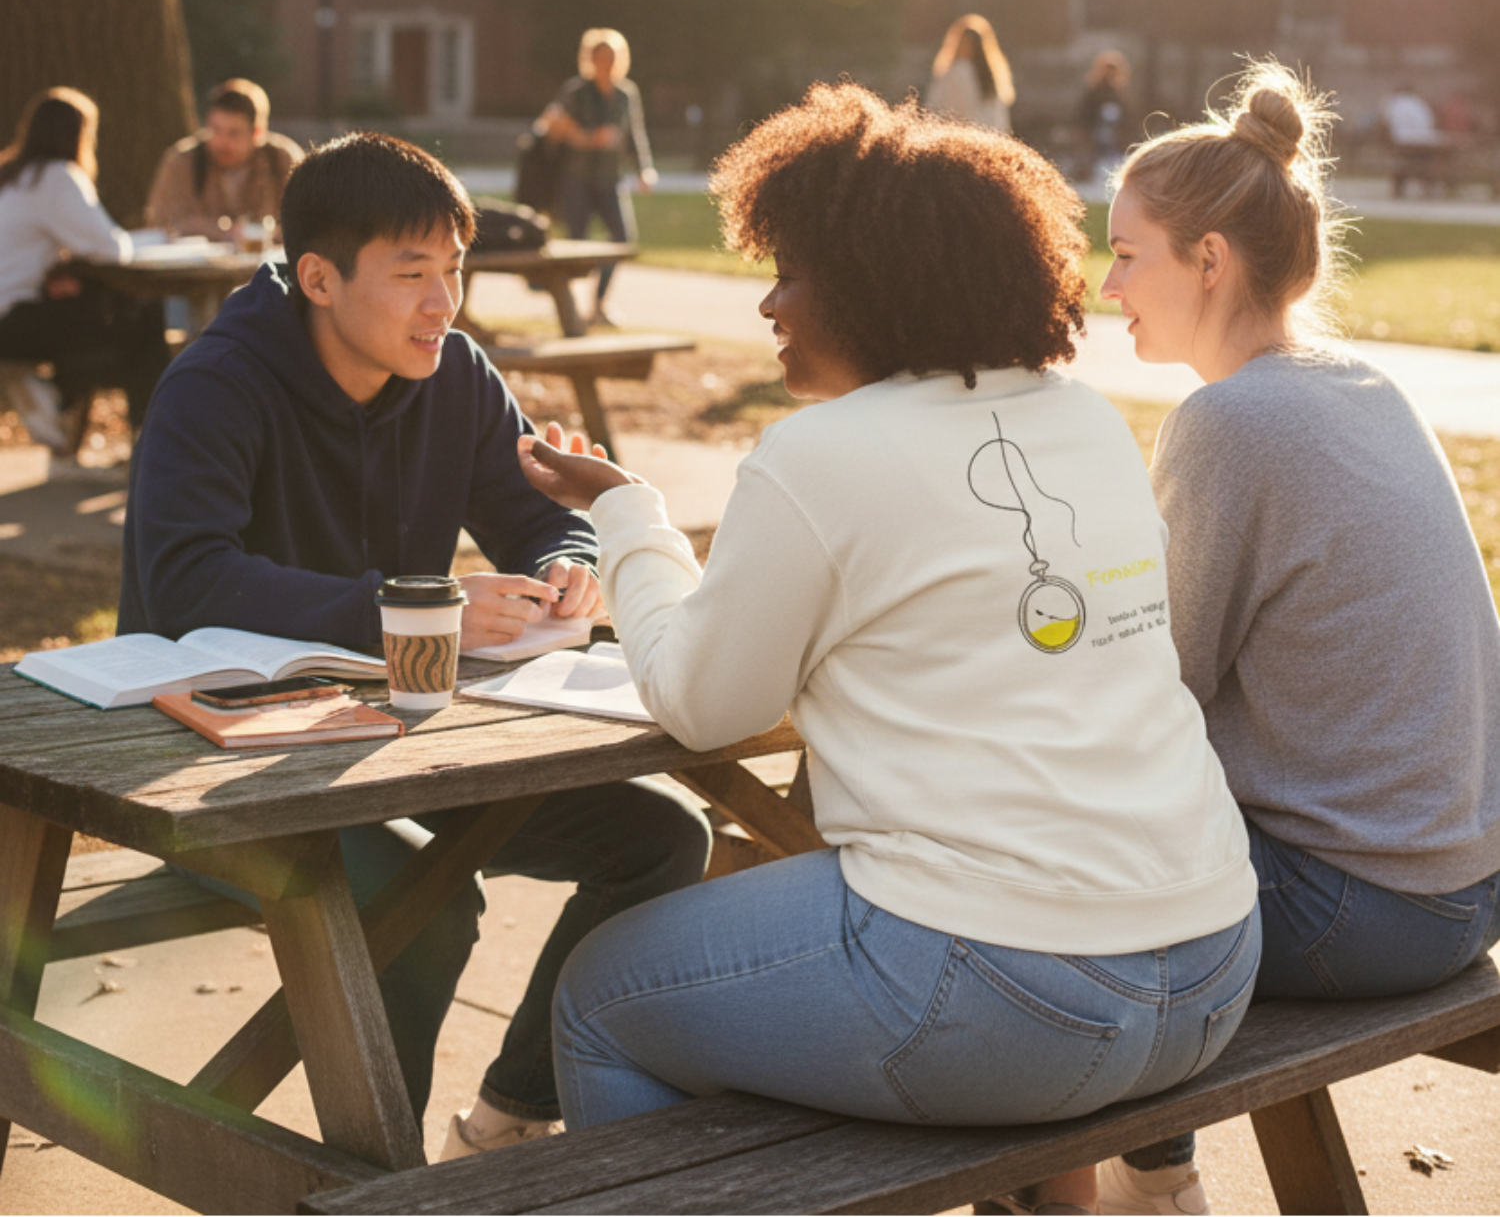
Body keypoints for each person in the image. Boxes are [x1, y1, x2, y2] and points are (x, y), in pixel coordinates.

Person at [515, 83, 1261, 1217]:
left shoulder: (820, 455)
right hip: (1212, 964)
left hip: (1010, 992)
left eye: (793, 272)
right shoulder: (1087, 420)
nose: (769, 302)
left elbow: (703, 705)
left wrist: (628, 514)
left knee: (603, 994)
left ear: (875, 285)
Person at [119, 132, 711, 1149]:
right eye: (411, 276)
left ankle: (510, 1117)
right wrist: (409, 608)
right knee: (426, 908)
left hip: (411, 746)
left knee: (663, 838)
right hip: (215, 765)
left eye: (455, 271)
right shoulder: (218, 384)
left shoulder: (455, 374)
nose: (446, 304)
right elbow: (185, 584)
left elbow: (544, 513)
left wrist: (573, 560)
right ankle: (378, 1183)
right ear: (317, 278)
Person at [1095, 62, 1500, 1215]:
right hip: (1469, 883)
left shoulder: (1230, 420)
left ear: (1209, 260)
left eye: (1130, 254)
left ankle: (1142, 1183)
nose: (1109, 283)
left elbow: (1157, 688)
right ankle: (1150, 1174)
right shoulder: (1366, 383)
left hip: (1362, 910)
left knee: (1037, 876)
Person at [0, 88, 170, 451]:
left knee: (100, 317)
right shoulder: (57, 178)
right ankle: (146, 437)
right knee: (142, 317)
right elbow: (113, 250)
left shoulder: (11, 175)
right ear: (78, 135)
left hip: (15, 316)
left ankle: (51, 397)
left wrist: (59, 267)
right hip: (11, 319)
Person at [540, 29, 656, 328]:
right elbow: (551, 123)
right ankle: (571, 310)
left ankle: (600, 303)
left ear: (619, 59)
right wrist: (589, 138)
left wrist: (644, 169)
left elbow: (634, 134)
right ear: (590, 59)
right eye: (599, 57)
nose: (605, 62)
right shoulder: (576, 91)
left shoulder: (626, 94)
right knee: (576, 246)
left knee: (622, 238)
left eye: (610, 57)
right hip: (576, 178)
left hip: (610, 178)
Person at [145, 78, 302, 240]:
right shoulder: (182, 161)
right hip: (197, 265)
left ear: (257, 133)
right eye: (215, 130)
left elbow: (309, 224)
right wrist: (221, 232)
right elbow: (160, 223)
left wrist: (264, 234)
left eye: (234, 133)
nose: (222, 142)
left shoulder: (283, 160)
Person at [926, 13, 1017, 133]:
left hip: (959, 138)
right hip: (987, 139)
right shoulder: (991, 76)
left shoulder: (957, 71)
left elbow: (936, 107)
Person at [1077, 51, 1134, 183]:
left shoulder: (1121, 94)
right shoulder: (1093, 93)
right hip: (1095, 135)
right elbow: (1084, 116)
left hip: (1116, 138)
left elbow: (1129, 117)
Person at [1382, 83, 1446, 198]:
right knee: (1428, 160)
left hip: (1400, 140)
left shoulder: (1393, 103)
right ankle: (1428, 185)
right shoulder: (1417, 103)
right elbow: (1428, 122)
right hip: (1420, 141)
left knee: (1407, 161)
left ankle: (1401, 186)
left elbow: (1387, 121)